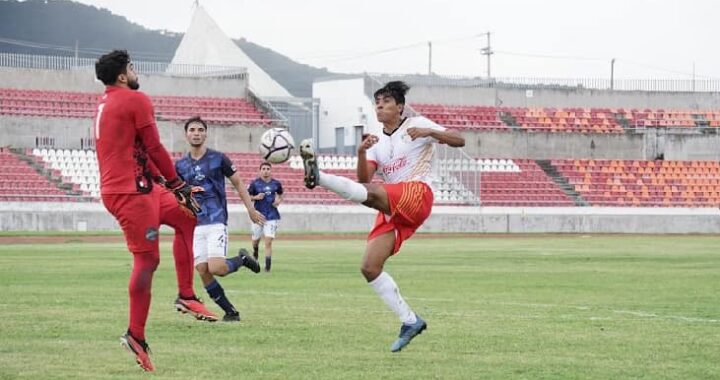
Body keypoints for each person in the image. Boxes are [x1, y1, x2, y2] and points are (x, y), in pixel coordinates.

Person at [299, 81, 465, 352]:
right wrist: (362, 152)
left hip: (417, 193)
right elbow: (364, 180)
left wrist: (429, 131)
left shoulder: (417, 123)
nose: (380, 106)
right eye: (377, 102)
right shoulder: (376, 142)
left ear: (399, 107)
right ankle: (410, 321)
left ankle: (320, 177)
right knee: (369, 267)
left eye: (386, 101)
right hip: (393, 204)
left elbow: (460, 140)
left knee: (373, 193)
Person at [94, 50, 217, 372]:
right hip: (129, 192)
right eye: (132, 68)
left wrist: (165, 182)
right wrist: (178, 185)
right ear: (123, 75)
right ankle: (135, 335)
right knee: (148, 260)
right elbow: (153, 147)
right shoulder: (135, 99)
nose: (135, 72)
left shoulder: (108, 101)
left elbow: (135, 149)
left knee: (188, 216)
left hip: (142, 187)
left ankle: (186, 295)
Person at [175, 116, 266, 322]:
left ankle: (242, 259)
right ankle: (230, 312)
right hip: (195, 224)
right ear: (186, 134)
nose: (196, 133)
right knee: (202, 270)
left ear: (206, 134)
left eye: (200, 130)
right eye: (192, 130)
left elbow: (239, 183)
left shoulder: (219, 158)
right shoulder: (180, 165)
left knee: (217, 268)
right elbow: (176, 193)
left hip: (216, 220)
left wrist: (251, 209)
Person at [247, 162, 284, 272]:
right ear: (260, 170)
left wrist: (278, 200)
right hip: (258, 216)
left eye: (268, 168)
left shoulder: (276, 183)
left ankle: (267, 267)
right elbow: (248, 197)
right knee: (255, 241)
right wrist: (256, 197)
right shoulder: (254, 184)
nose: (266, 170)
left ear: (271, 170)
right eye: (263, 168)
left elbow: (280, 195)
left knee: (268, 241)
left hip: (272, 216)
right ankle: (255, 251)